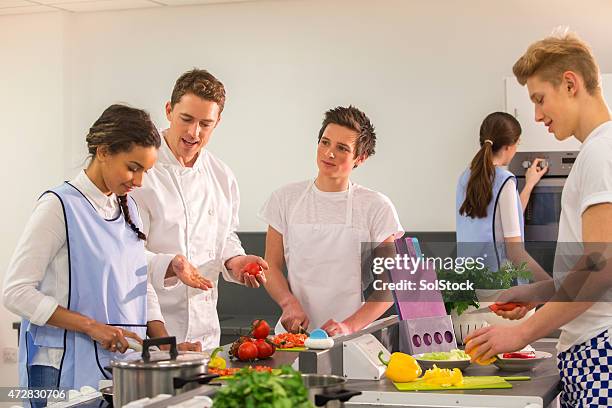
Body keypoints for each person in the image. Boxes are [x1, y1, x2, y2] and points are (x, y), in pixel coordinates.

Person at [465, 31, 612, 408]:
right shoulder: (598, 151)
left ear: (570, 83)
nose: (536, 115)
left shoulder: (601, 154)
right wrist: (537, 294)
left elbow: (602, 268)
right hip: (593, 349)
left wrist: (522, 334)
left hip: (601, 352)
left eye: (539, 99)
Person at [2, 105, 161, 401]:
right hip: (59, 366)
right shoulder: (58, 206)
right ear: (103, 151)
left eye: (145, 171)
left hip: (118, 365)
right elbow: (15, 292)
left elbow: (139, 282)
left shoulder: (128, 209)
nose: (138, 181)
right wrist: (92, 327)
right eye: (133, 167)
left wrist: (162, 343)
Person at [131, 69, 267, 351]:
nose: (194, 133)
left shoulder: (221, 175)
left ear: (218, 122)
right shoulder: (140, 171)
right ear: (169, 111)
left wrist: (235, 261)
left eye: (205, 123)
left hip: (206, 333)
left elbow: (225, 235)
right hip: (151, 332)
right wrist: (172, 265)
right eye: (187, 119)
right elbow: (128, 254)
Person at [258, 105, 403, 336]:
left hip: (349, 338)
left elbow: (390, 286)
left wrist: (348, 327)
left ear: (360, 158)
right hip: (293, 336)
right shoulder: (284, 199)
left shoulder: (376, 207)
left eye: (342, 148)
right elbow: (270, 267)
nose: (329, 153)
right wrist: (288, 304)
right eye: (325, 142)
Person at [456, 112, 551, 300]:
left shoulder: (466, 177)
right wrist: (552, 287)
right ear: (509, 146)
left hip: (469, 287)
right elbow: (514, 251)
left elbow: (503, 221)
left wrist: (529, 183)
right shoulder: (504, 180)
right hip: (499, 288)